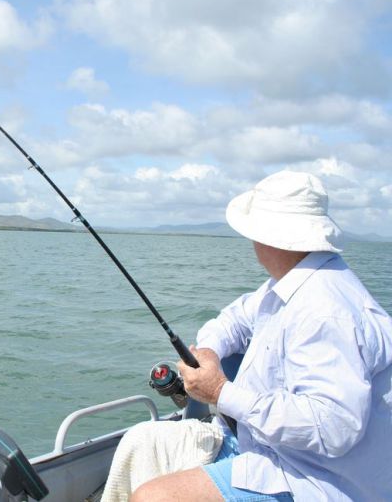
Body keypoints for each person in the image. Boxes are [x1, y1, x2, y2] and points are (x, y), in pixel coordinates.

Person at [131, 170, 392, 501]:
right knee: (141, 440)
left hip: (317, 480)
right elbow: (235, 319)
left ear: (270, 237)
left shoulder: (324, 310)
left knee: (152, 497)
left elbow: (334, 428)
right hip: (277, 450)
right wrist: (210, 350)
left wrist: (220, 392)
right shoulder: (293, 283)